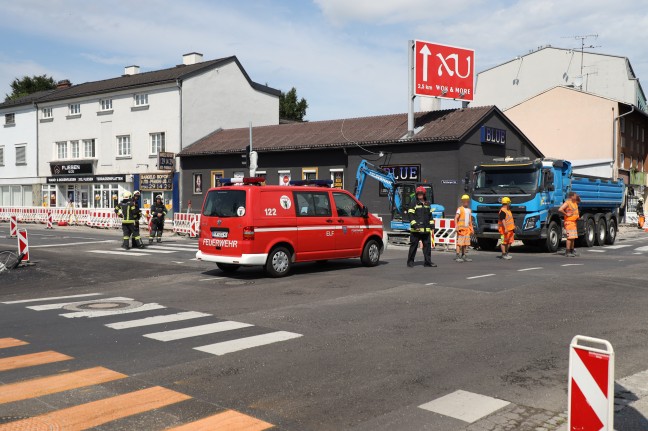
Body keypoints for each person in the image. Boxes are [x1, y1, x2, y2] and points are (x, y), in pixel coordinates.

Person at [406, 186, 437, 268]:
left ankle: (427, 262)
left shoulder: (427, 203)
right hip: (416, 230)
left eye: (421, 193)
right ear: (416, 194)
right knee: (414, 246)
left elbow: (430, 216)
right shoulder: (413, 203)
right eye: (418, 194)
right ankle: (410, 262)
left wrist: (432, 226)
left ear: (424, 194)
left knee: (427, 248)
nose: (420, 195)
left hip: (426, 230)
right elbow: (411, 216)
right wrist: (415, 225)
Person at [559, 192, 580, 257]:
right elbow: (560, 209)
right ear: (571, 196)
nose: (576, 197)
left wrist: (578, 196)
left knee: (573, 237)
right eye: (575, 196)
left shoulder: (574, 202)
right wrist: (566, 214)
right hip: (569, 222)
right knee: (570, 238)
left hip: (573, 222)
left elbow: (579, 200)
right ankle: (567, 252)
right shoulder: (568, 203)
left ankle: (572, 250)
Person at [454, 194, 474, 262]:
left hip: (467, 229)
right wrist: (456, 226)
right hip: (461, 229)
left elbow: (470, 220)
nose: (466, 202)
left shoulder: (469, 210)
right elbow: (456, 218)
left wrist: (472, 228)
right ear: (462, 201)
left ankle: (463, 255)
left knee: (465, 244)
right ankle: (457, 255)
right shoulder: (460, 209)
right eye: (464, 201)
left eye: (467, 201)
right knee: (459, 243)